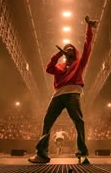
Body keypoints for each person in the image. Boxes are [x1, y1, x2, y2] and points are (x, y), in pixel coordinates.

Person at [28, 15, 98, 164]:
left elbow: (87, 45)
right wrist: (58, 54)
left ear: (75, 52)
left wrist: (89, 28)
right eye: (66, 49)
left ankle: (83, 153)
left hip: (73, 93)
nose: (69, 50)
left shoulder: (79, 63)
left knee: (78, 121)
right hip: (58, 94)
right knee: (47, 121)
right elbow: (48, 69)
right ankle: (42, 154)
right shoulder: (59, 66)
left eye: (71, 48)